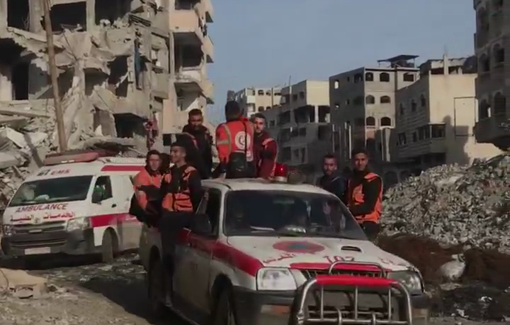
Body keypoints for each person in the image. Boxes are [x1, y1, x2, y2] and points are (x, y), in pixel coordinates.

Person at [159, 139, 203, 300]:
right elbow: (161, 195)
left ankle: (174, 291)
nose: (172, 154)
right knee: (167, 256)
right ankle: (167, 291)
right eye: (171, 151)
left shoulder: (192, 173)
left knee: (178, 257)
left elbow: (197, 197)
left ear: (183, 154)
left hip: (185, 217)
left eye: (176, 151)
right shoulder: (169, 174)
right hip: (169, 217)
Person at [346, 148, 383, 241]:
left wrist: (348, 210)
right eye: (357, 160)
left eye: (362, 160)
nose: (360, 163)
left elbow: (369, 206)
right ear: (353, 161)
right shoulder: (351, 180)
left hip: (369, 224)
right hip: (355, 223)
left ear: (367, 161)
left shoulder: (373, 180)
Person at [214, 101, 256, 178]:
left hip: (232, 168)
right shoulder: (249, 125)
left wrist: (223, 169)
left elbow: (223, 152)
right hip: (250, 167)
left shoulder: (223, 128)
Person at [130, 150, 163, 225]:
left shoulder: (158, 174)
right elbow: (143, 202)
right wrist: (156, 215)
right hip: (148, 218)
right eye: (151, 160)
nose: (154, 163)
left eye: (157, 160)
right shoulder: (142, 177)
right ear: (147, 162)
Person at [182, 109, 213, 178]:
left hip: (206, 172)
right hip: (191, 172)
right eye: (193, 121)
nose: (196, 124)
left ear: (202, 120)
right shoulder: (185, 135)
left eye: (198, 120)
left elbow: (208, 153)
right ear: (189, 121)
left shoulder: (205, 133)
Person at [251, 113, 278, 179]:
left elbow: (267, 164)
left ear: (264, 125)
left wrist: (262, 178)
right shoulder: (249, 139)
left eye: (260, 123)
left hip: (261, 180)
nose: (257, 126)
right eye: (255, 123)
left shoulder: (269, 143)